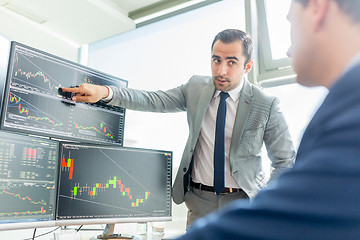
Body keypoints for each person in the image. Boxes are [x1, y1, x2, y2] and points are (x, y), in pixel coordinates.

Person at [61, 29, 295, 226]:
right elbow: (154, 100)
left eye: (232, 62)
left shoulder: (266, 104)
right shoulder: (195, 87)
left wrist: (265, 201)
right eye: (216, 60)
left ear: (247, 66)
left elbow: (284, 161)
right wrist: (106, 93)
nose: (221, 70)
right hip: (199, 200)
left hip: (243, 202)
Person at [172, 0, 360, 239]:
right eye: (217, 60)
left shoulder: (350, 110)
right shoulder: (345, 102)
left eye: (292, 25)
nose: (289, 51)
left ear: (317, 9)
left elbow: (297, 206)